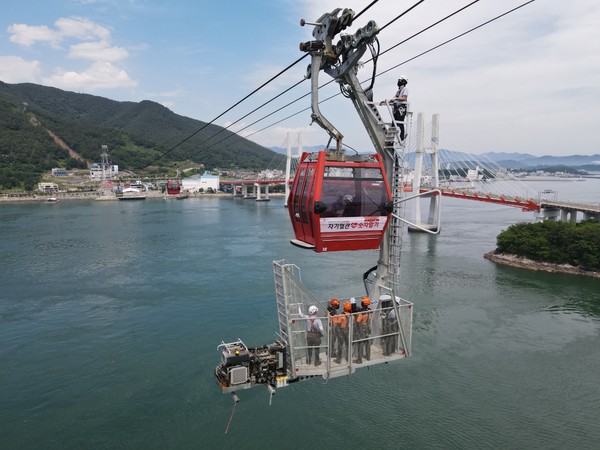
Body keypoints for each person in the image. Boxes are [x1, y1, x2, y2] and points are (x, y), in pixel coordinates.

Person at [392, 76, 409, 141]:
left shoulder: (405, 89)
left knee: (400, 123)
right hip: (397, 109)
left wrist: (395, 98)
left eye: (400, 80)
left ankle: (401, 138)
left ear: (403, 81)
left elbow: (404, 98)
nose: (398, 81)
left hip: (401, 109)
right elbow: (394, 97)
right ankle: (392, 138)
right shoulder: (399, 91)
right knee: (394, 123)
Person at [356, 296, 372, 362]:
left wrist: (358, 331)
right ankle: (368, 356)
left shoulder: (362, 313)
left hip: (362, 328)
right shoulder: (370, 310)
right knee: (367, 342)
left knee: (361, 343)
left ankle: (359, 359)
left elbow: (358, 321)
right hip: (367, 327)